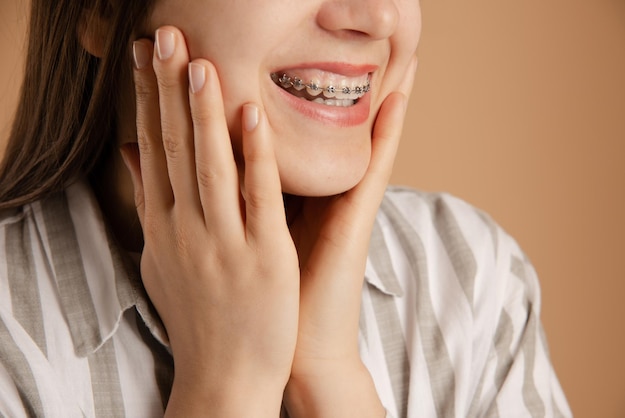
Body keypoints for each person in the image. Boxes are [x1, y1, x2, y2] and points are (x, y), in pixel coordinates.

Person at [0, 0, 572, 416]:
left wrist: (329, 378)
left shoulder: (471, 282)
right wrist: (228, 385)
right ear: (101, 8)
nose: (376, 17)